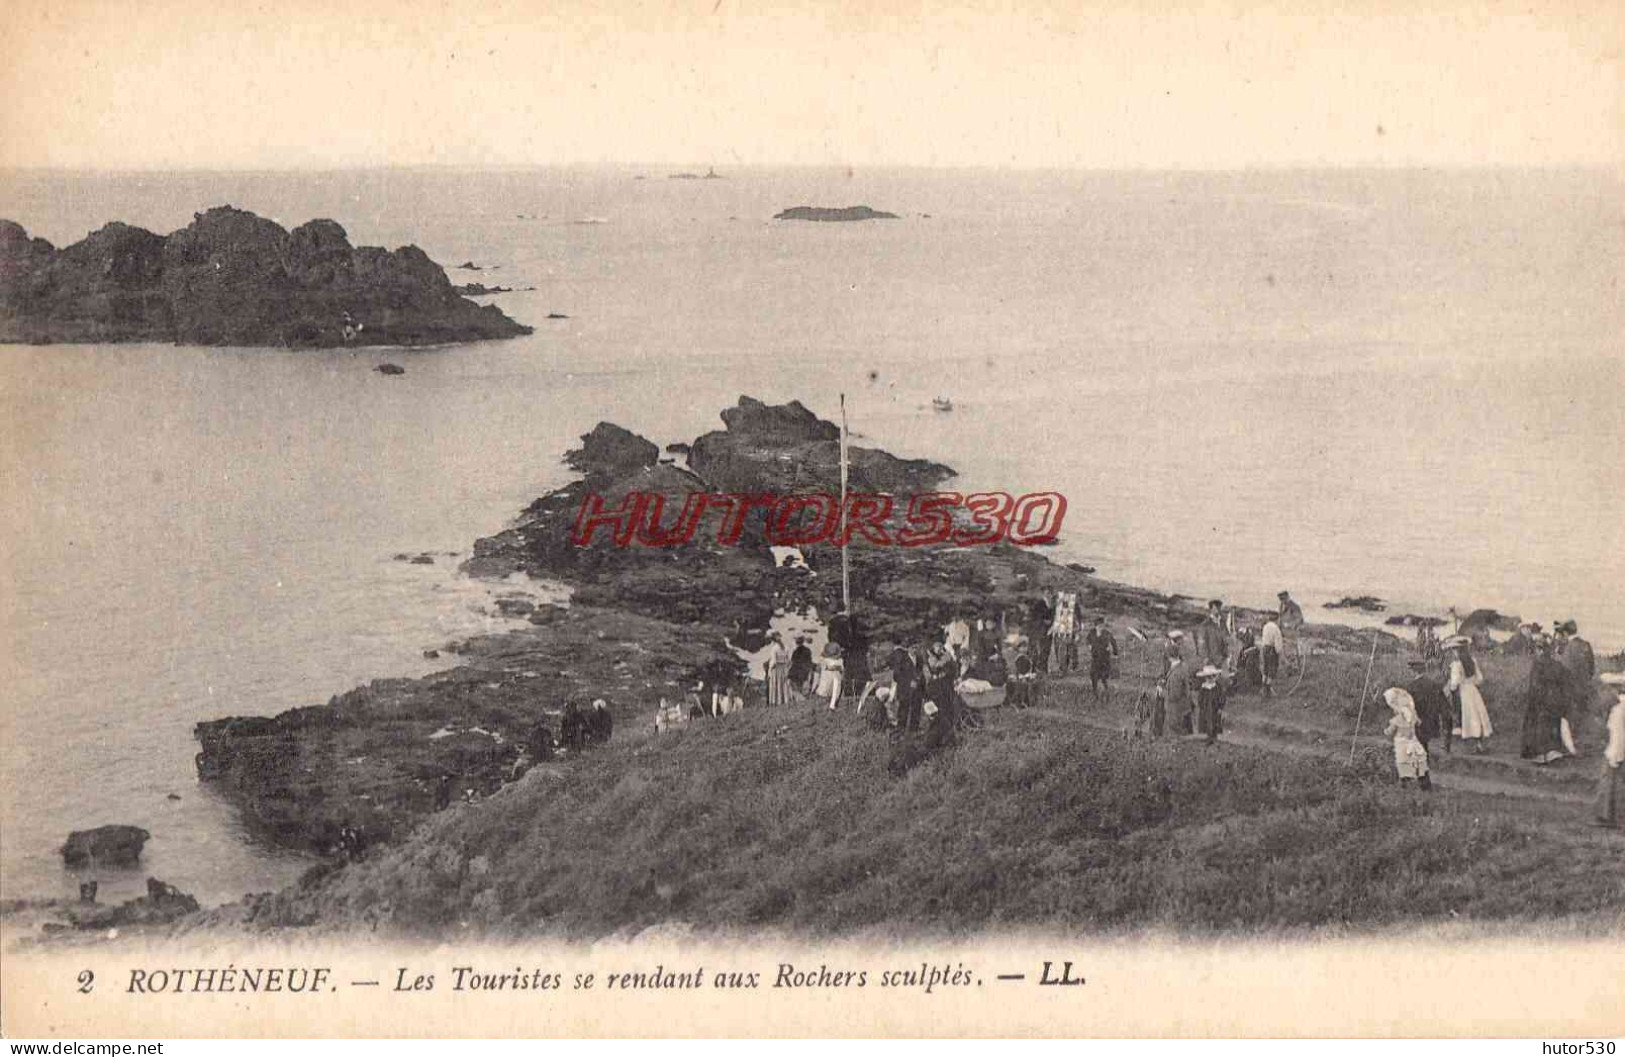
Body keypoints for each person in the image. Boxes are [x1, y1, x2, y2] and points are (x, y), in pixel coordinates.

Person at [1520, 635, 1571, 765]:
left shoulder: (1538, 664)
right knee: (1553, 725)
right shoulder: (1558, 665)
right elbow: (1565, 683)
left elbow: (1534, 686)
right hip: (1555, 701)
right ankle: (1553, 752)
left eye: (1537, 649)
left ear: (1540, 650)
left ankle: (1541, 756)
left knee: (1538, 726)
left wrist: (1532, 700)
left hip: (1541, 700)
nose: (1536, 652)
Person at [1444, 635, 1493, 752]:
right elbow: (1480, 679)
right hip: (1473, 691)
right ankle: (1479, 745)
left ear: (1458, 650)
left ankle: (1471, 746)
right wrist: (1470, 682)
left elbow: (1455, 682)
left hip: (1464, 692)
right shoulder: (1472, 661)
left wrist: (1451, 688)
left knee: (1467, 716)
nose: (1453, 652)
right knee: (1477, 716)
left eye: (1454, 649)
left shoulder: (1457, 664)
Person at [1556, 619, 1597, 752]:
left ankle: (1571, 746)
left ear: (1566, 633)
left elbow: (1563, 670)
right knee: (1582, 716)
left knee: (1569, 717)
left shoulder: (1569, 648)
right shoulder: (1586, 645)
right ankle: (1581, 744)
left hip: (1570, 689)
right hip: (1584, 688)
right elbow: (1592, 669)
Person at [1382, 687, 1433, 791]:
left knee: (1403, 764)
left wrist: (1386, 731)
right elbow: (1419, 722)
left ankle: (1405, 786)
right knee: (1418, 763)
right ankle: (1425, 784)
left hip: (1402, 744)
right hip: (1413, 742)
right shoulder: (1413, 716)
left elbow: (1389, 731)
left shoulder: (1396, 720)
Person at [1594, 673, 1624, 827]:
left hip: (1616, 751)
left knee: (1610, 782)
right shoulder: (1618, 707)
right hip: (1617, 750)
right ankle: (1609, 816)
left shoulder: (1619, 709)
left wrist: (1614, 755)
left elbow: (1618, 735)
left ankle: (1608, 817)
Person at [1157, 643, 1194, 737]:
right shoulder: (1182, 667)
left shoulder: (1176, 674)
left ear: (1169, 657)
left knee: (1174, 736)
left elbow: (1174, 695)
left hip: (1175, 712)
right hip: (1183, 709)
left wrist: (1161, 692)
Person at [889, 644, 924, 732]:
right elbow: (896, 676)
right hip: (905, 689)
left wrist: (919, 682)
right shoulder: (902, 660)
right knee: (904, 709)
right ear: (907, 648)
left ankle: (914, 729)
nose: (915, 650)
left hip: (917, 689)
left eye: (916, 647)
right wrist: (909, 682)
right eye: (912, 647)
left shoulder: (919, 659)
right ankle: (901, 729)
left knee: (916, 708)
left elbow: (920, 673)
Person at [1084, 616, 1119, 699]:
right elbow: (1087, 640)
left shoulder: (1106, 633)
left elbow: (1113, 641)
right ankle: (1095, 691)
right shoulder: (1092, 633)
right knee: (1093, 675)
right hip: (1095, 657)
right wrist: (1089, 646)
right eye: (1099, 626)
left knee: (1103, 676)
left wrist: (1115, 652)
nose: (1101, 628)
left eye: (1102, 626)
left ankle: (1106, 690)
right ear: (1095, 626)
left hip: (1104, 658)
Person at [1051, 590, 1080, 674]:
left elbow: (1076, 625)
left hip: (1070, 636)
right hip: (1061, 637)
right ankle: (1062, 669)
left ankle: (1073, 667)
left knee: (1072, 652)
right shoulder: (1058, 615)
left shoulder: (1072, 616)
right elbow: (1055, 625)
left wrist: (1075, 632)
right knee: (1061, 653)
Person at [1195, 664, 1226, 744]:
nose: (1210, 679)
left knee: (1215, 722)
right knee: (1205, 724)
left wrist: (1220, 707)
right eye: (1208, 677)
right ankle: (1206, 737)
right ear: (1205, 678)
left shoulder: (1218, 687)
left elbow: (1222, 698)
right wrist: (1202, 706)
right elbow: (1200, 699)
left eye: (1212, 677)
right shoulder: (1203, 688)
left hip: (1215, 709)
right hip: (1205, 709)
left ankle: (1214, 737)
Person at [1196, 600, 1229, 672]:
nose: (1218, 609)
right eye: (1216, 607)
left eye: (1219, 606)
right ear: (1211, 609)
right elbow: (1202, 645)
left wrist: (1227, 656)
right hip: (1211, 662)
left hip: (1223, 661)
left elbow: (1227, 640)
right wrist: (1206, 658)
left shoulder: (1223, 624)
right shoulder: (1205, 625)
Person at [1027, 595, 1054, 673]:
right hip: (1040, 632)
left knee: (1044, 651)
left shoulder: (1052, 605)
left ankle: (1042, 669)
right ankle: (1037, 669)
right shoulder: (1039, 606)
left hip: (1045, 632)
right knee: (1040, 651)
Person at [816, 642, 845, 710]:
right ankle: (833, 707)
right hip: (836, 684)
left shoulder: (824, 661)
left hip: (825, 683)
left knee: (824, 698)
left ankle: (827, 708)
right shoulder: (840, 662)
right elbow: (842, 672)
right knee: (835, 695)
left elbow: (818, 668)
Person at [1260, 616, 1283, 697]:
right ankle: (1268, 690)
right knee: (1272, 669)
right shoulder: (1276, 629)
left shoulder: (1265, 627)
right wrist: (1279, 652)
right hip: (1271, 650)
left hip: (1265, 649)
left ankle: (1263, 689)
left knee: (1266, 668)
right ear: (1277, 619)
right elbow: (1278, 644)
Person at [1235, 626, 1262, 691]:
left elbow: (1248, 670)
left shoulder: (1252, 652)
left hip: (1250, 679)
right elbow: (1239, 664)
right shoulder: (1244, 651)